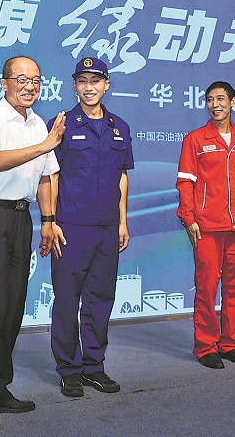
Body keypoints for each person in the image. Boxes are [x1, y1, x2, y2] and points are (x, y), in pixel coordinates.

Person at [0, 56, 65, 425]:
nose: (30, 86)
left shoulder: (37, 124)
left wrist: (48, 220)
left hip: (21, 218)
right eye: (21, 79)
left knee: (14, 306)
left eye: (36, 80)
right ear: (4, 83)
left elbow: (47, 176)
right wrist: (45, 145)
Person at [47, 57, 133, 397]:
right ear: (74, 86)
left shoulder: (119, 127)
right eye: (82, 81)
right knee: (67, 300)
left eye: (95, 80)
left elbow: (122, 176)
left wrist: (122, 221)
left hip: (107, 228)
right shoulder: (62, 124)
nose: (89, 87)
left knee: (100, 299)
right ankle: (69, 369)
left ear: (106, 85)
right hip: (71, 227)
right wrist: (51, 221)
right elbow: (51, 176)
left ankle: (94, 367)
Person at [176, 81, 235, 369]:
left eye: (221, 99)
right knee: (206, 287)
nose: (215, 105)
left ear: (232, 102)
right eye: (210, 100)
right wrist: (189, 218)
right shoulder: (195, 139)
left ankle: (229, 344)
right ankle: (205, 347)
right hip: (207, 226)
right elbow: (185, 182)